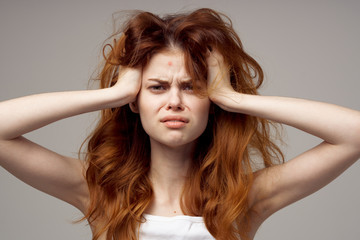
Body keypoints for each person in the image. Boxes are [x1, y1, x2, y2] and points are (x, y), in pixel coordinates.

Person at [0, 8, 359, 240]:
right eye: (156, 88)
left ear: (211, 103)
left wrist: (233, 98)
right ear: (135, 102)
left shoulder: (245, 197)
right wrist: (115, 93)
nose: (175, 101)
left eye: (192, 87)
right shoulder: (98, 192)